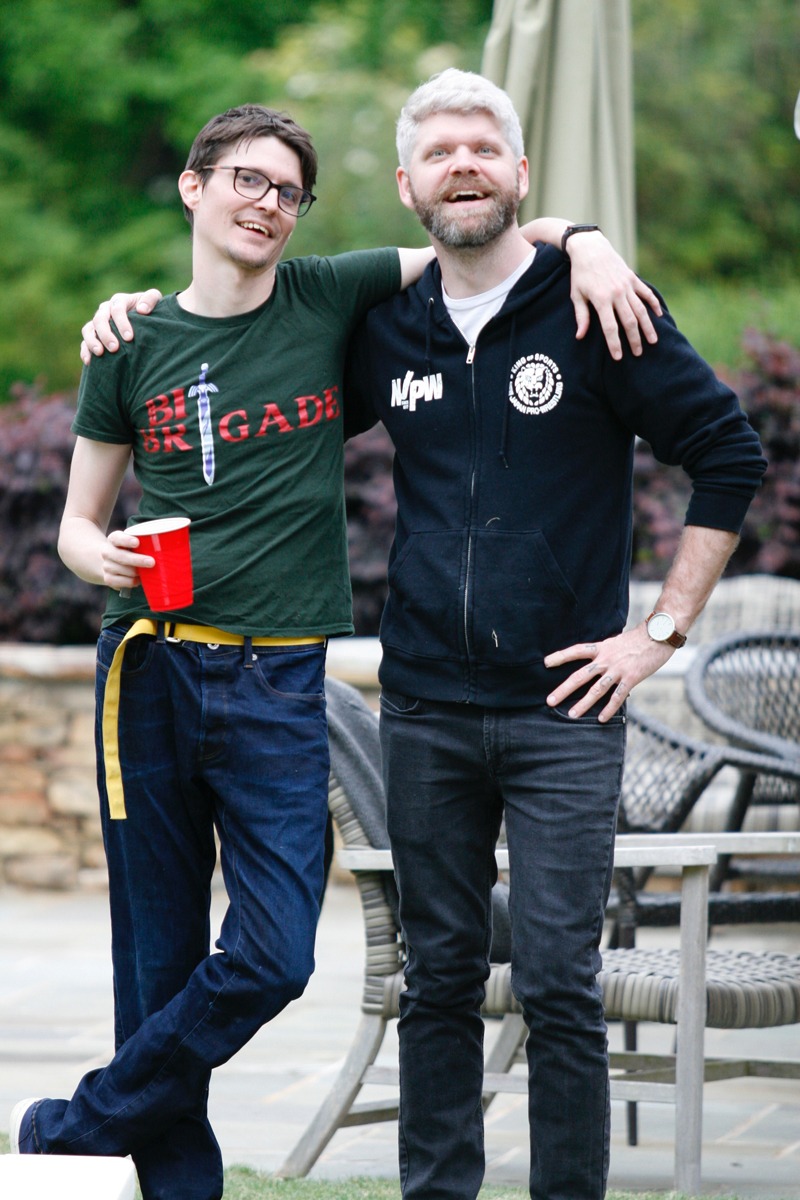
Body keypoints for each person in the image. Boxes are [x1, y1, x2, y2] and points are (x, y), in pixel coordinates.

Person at [9, 99, 660, 1200]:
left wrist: (586, 239)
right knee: (155, 959)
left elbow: (482, 220)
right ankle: (176, 1185)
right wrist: (100, 559)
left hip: (275, 677)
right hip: (149, 669)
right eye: (246, 181)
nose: (267, 204)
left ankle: (78, 1119)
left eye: (287, 191)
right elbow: (78, 522)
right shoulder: (130, 341)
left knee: (272, 952)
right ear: (193, 187)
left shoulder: (328, 294)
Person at [336, 70, 767, 1200]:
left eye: (484, 147)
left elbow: (727, 456)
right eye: (439, 153)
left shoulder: (596, 310)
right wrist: (136, 317)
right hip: (424, 703)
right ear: (406, 185)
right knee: (435, 980)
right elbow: (251, 361)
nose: (462, 164)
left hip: (564, 707)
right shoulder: (385, 326)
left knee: (559, 984)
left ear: (521, 174)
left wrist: (659, 632)